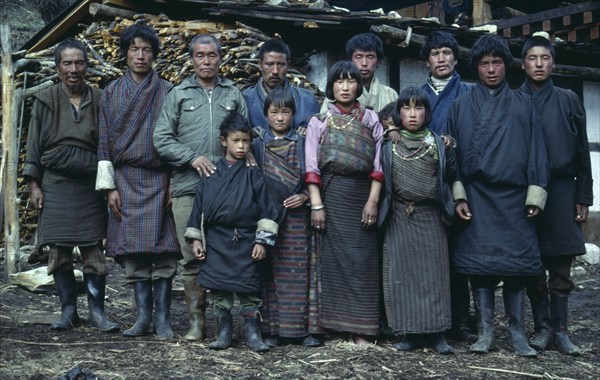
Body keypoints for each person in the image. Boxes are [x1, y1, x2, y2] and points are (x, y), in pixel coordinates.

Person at [447, 34, 549, 357]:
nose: (491, 69)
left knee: (516, 267)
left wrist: (535, 193)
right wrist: (459, 195)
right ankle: (485, 332)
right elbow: (453, 158)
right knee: (481, 268)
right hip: (477, 196)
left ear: (507, 65)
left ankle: (517, 332)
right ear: (476, 67)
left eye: (497, 62)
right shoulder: (461, 105)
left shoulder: (524, 103)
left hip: (515, 198)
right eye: (484, 63)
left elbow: (537, 149)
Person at [154, 34, 248, 341]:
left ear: (221, 58)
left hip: (226, 188)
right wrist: (191, 157)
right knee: (191, 257)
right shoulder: (178, 94)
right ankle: (197, 322)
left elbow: (245, 135)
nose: (206, 61)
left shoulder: (232, 93)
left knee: (223, 252)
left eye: (211, 55)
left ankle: (225, 324)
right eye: (199, 55)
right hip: (188, 187)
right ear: (191, 59)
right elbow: (162, 138)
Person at [23, 38, 118, 333]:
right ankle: (68, 311)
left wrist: (109, 184)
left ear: (87, 66)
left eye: (79, 63)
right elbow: (34, 144)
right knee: (60, 250)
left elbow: (109, 143)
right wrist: (34, 185)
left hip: (91, 186)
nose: (74, 69)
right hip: (56, 184)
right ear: (57, 67)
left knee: (93, 250)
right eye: (67, 63)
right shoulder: (46, 99)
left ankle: (97, 313)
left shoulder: (101, 99)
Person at [96, 24, 180, 339]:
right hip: (125, 179)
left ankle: (163, 321)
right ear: (126, 53)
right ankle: (142, 318)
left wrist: (174, 180)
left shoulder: (168, 91)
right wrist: (109, 187)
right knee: (133, 251)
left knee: (164, 249)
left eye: (146, 50)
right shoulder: (112, 92)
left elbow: (177, 139)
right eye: (134, 49)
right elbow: (104, 143)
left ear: (154, 55)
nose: (140, 56)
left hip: (160, 178)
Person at [520, 33, 593, 356]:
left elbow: (581, 153)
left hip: (563, 189)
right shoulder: (515, 99)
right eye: (532, 59)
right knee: (533, 263)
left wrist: (583, 196)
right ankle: (541, 329)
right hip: (526, 193)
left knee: (561, 263)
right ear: (523, 64)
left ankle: (562, 331)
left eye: (544, 58)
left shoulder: (568, 100)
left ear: (553, 62)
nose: (539, 64)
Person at [184, 113, 279, 352]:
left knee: (249, 289)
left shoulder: (253, 173)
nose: (242, 146)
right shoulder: (211, 174)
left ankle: (253, 336)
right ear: (223, 141)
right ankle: (223, 334)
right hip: (216, 241)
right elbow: (199, 210)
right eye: (236, 140)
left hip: (246, 240)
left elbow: (267, 209)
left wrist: (262, 241)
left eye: (246, 141)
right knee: (220, 291)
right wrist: (196, 239)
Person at [305, 60, 384, 344]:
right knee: (333, 264)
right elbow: (311, 166)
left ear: (359, 86)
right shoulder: (319, 121)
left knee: (363, 263)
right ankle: (335, 328)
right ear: (331, 87)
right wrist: (317, 205)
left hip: (361, 197)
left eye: (351, 81)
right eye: (339, 81)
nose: (345, 87)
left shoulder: (370, 120)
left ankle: (362, 330)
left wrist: (372, 201)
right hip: (331, 196)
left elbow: (378, 165)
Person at [378, 87, 456, 354]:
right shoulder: (389, 145)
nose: (413, 114)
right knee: (403, 275)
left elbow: (452, 175)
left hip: (431, 215)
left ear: (427, 112)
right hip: (399, 216)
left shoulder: (437, 143)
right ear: (398, 113)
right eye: (407, 108)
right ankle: (408, 332)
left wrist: (450, 146)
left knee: (434, 275)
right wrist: (389, 132)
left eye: (419, 108)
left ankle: (437, 334)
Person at [251, 87, 320, 347]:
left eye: (286, 112)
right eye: (274, 112)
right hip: (270, 218)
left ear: (294, 114)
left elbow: (314, 172)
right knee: (271, 271)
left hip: (298, 220)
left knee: (302, 271)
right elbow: (254, 180)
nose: (280, 118)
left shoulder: (303, 142)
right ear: (265, 114)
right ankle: (272, 329)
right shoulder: (258, 145)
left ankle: (305, 330)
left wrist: (304, 196)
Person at [420, 31, 474, 342]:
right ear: (426, 60)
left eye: (447, 53)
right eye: (435, 53)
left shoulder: (467, 93)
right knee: (428, 256)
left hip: (459, 182)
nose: (441, 59)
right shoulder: (416, 95)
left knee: (459, 254)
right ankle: (431, 321)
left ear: (455, 58)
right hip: (424, 183)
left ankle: (462, 321)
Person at [243, 38, 319, 131]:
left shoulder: (307, 100)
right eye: (269, 64)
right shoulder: (246, 99)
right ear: (260, 64)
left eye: (281, 64)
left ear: (288, 65)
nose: (275, 71)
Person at [321, 33, 397, 113]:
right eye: (359, 57)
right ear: (350, 61)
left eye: (370, 57)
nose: (364, 63)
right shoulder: (337, 94)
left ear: (378, 62)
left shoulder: (390, 94)